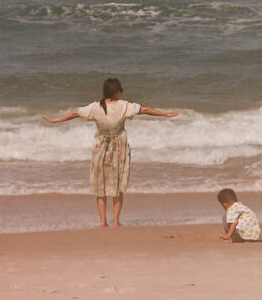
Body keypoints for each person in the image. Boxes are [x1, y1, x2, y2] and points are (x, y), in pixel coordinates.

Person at [43, 78, 178, 227]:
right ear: (116, 92)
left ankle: (102, 221)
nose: (122, 92)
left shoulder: (95, 107)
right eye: (121, 90)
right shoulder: (124, 106)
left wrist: (54, 120)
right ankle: (115, 221)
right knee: (118, 185)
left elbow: (74, 114)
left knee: (100, 185)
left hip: (100, 147)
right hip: (119, 147)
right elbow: (145, 110)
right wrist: (165, 114)